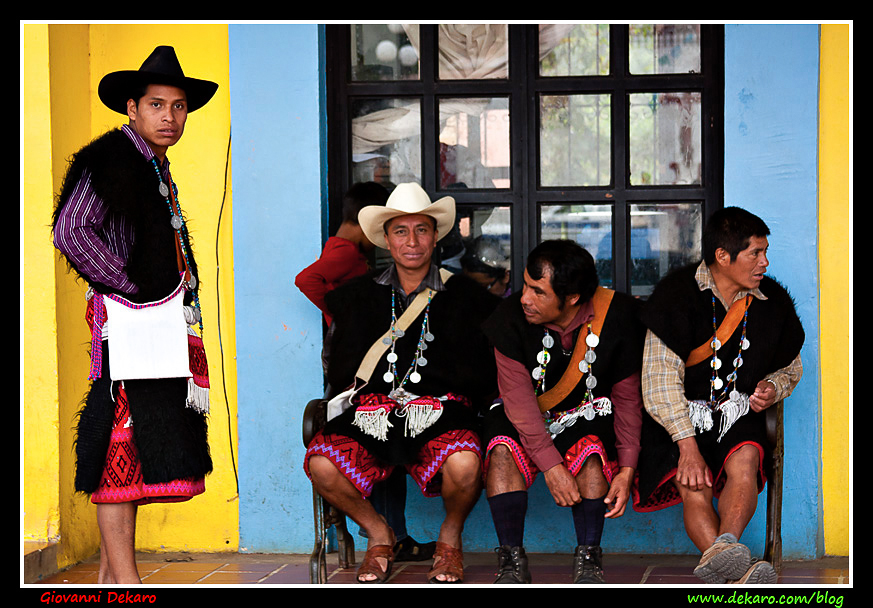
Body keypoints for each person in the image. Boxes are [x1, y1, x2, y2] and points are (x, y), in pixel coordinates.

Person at [51, 46, 218, 584]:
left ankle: (107, 574)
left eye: (179, 107)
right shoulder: (108, 158)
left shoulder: (153, 163)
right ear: (132, 108)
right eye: (157, 105)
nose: (170, 117)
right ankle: (127, 582)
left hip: (160, 326)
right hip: (131, 329)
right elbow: (70, 230)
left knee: (143, 447)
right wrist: (133, 291)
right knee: (119, 450)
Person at [303, 182, 500, 583]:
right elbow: (339, 365)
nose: (412, 241)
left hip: (441, 411)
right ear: (387, 239)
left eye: (421, 230)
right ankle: (379, 534)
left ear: (436, 236)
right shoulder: (357, 296)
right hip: (372, 413)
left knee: (465, 463)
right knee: (322, 463)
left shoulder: (468, 296)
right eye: (400, 231)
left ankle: (450, 538)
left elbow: (486, 369)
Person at [635, 207, 804, 584]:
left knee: (745, 460)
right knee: (694, 483)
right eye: (755, 253)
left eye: (765, 252)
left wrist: (773, 387)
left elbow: (791, 366)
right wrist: (687, 446)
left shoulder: (771, 302)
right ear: (723, 256)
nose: (765, 262)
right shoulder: (675, 297)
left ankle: (725, 547)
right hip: (678, 418)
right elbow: (658, 383)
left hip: (737, 412)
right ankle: (738, 573)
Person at [481, 239, 645, 584]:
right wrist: (552, 468)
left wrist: (627, 469)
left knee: (591, 454)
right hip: (523, 414)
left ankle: (588, 559)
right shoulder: (509, 318)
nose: (524, 297)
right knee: (501, 450)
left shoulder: (619, 316)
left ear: (571, 297)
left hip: (585, 413)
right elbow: (520, 404)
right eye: (525, 284)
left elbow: (628, 398)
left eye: (538, 291)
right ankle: (511, 560)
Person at [294, 181, 435, 562]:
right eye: (396, 229)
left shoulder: (348, 252)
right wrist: (338, 313)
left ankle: (395, 533)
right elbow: (307, 280)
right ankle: (387, 532)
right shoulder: (343, 252)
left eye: (419, 230)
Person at [294, 182, 389, 327]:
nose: (378, 241)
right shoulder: (346, 252)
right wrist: (340, 311)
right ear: (368, 223)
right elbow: (305, 279)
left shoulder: (338, 246)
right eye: (380, 232)